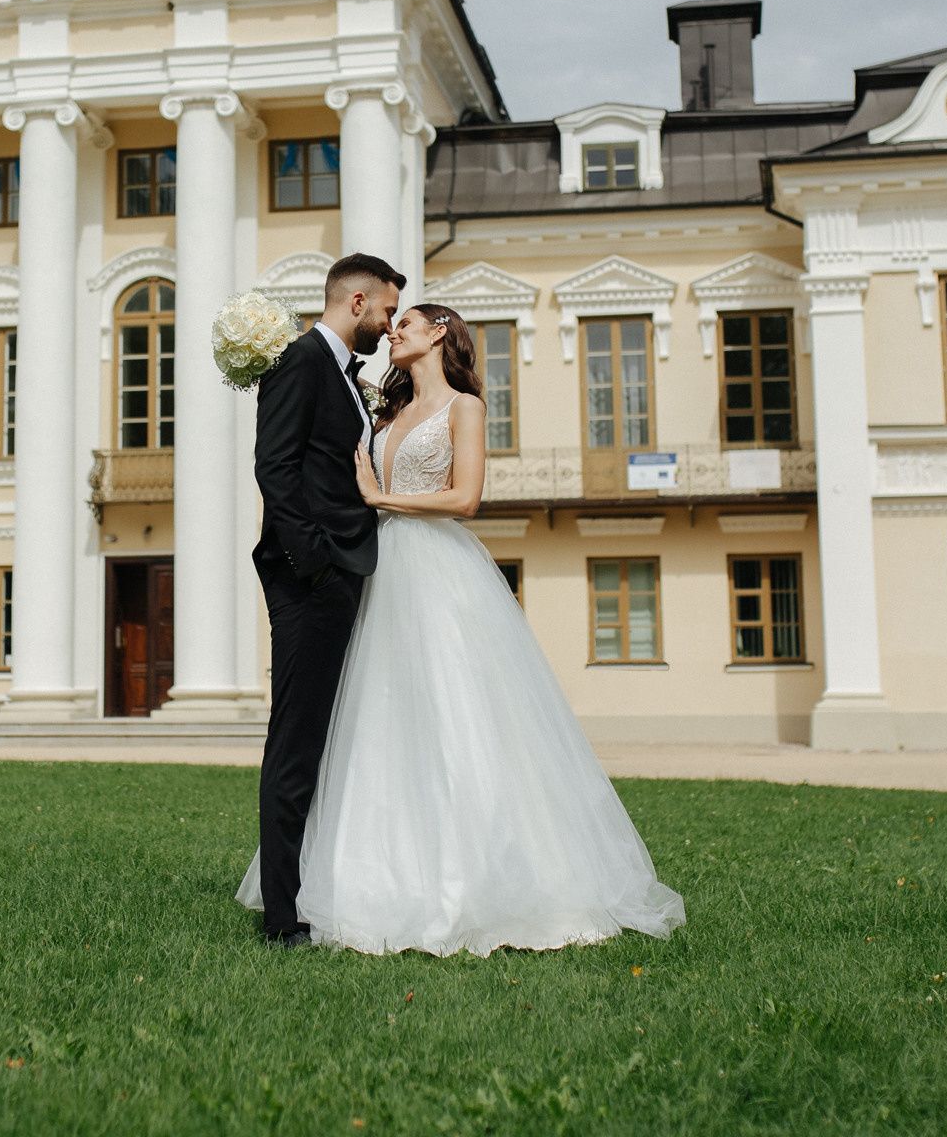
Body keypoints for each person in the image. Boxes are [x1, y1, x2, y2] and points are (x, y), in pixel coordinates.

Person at [240, 302, 686, 956]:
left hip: (438, 569)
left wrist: (380, 499)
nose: (394, 332)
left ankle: (479, 875)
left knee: (457, 709)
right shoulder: (381, 412)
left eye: (407, 323)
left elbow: (466, 497)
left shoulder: (466, 408)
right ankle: (363, 874)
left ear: (440, 333)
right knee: (376, 717)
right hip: (380, 566)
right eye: (391, 323)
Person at [245, 252, 402, 946]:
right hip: (312, 579)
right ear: (359, 301)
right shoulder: (301, 361)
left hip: (338, 574)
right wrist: (315, 566)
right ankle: (283, 917)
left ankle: (312, 888)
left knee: (323, 738)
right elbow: (273, 467)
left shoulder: (346, 376)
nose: (391, 324)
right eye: (390, 311)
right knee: (297, 742)